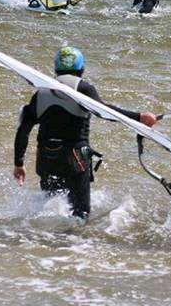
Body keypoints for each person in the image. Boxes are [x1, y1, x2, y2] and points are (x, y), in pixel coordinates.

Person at [13, 46, 157, 219]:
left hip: (46, 160)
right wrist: (139, 117)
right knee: (80, 214)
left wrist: (19, 164)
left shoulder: (40, 93)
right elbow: (104, 111)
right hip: (74, 159)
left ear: (56, 68)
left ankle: (42, 235)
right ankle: (74, 236)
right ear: (81, 68)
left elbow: (23, 129)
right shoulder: (83, 89)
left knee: (51, 209)